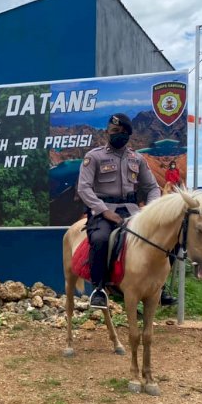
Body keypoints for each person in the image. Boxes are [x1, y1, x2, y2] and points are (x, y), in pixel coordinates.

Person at [77, 113, 169, 309]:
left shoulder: (138, 159)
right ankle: (99, 289)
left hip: (132, 210)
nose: (119, 134)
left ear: (128, 134)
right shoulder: (94, 156)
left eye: (123, 132)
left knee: (162, 238)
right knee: (101, 238)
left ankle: (161, 286)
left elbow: (152, 187)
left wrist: (149, 211)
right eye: (114, 131)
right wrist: (103, 211)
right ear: (108, 132)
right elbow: (84, 188)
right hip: (103, 211)